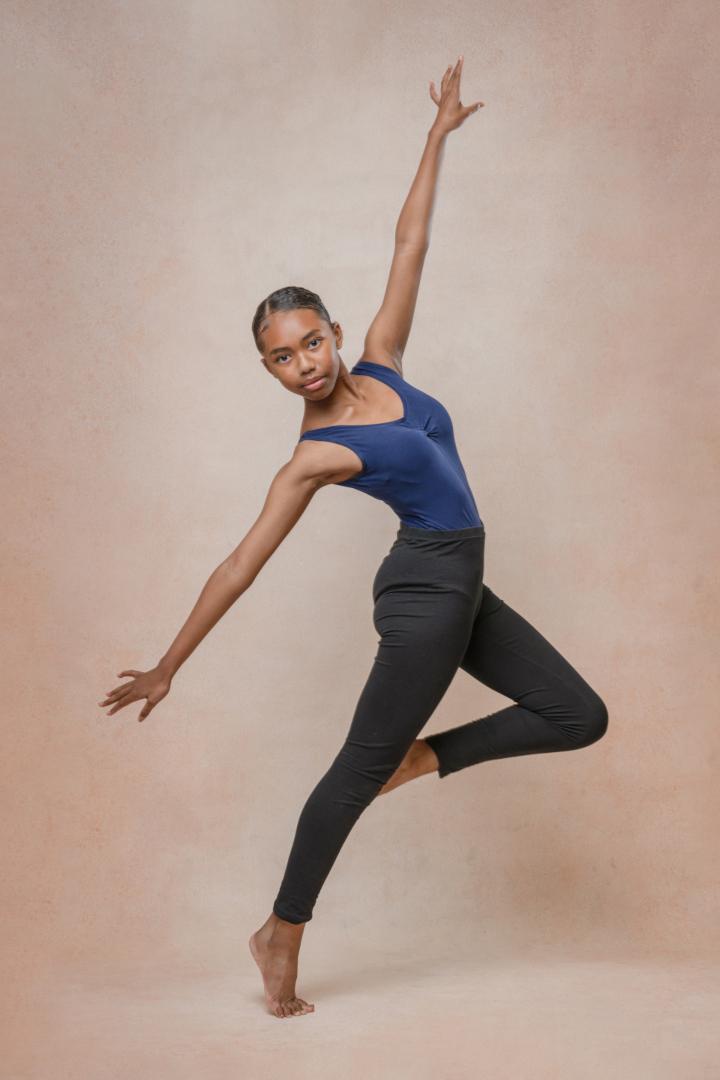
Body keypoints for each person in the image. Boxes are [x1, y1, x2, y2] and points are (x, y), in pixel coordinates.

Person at [98, 57, 608, 1019]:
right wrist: (170, 664)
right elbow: (241, 563)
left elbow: (409, 244)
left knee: (578, 716)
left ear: (334, 330)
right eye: (279, 359)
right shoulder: (315, 456)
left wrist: (436, 137)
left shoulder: (385, 359)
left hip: (462, 582)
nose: (301, 365)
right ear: (270, 370)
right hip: (422, 594)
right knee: (352, 774)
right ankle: (280, 930)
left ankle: (427, 758)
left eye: (308, 343)